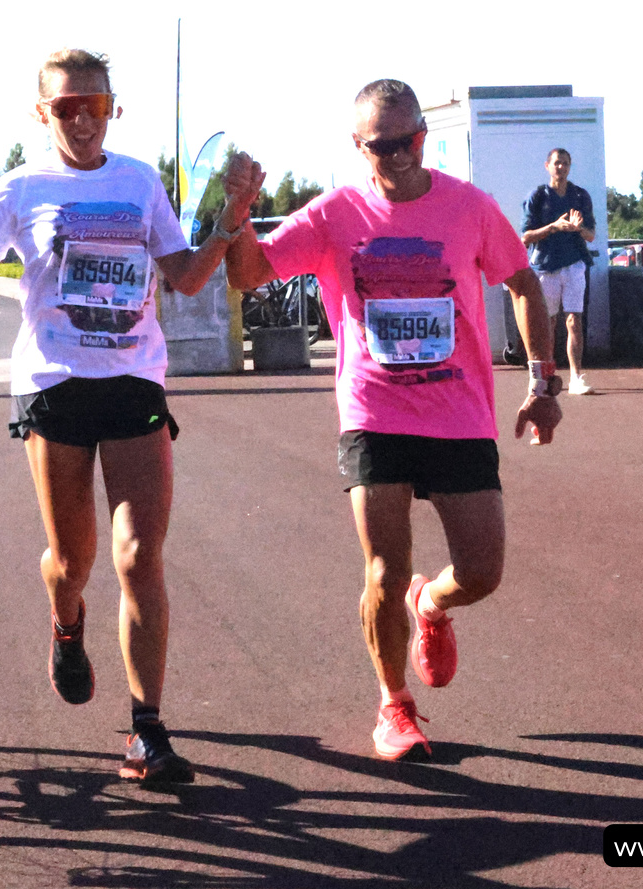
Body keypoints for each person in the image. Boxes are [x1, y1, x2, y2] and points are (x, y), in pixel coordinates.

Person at [0, 48, 261, 784]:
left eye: (96, 104)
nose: (83, 119)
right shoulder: (21, 188)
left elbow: (182, 279)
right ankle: (65, 616)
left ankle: (147, 728)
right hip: (54, 385)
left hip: (133, 382)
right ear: (41, 113)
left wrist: (228, 224)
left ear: (115, 107)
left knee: (139, 556)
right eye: (66, 107)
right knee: (74, 562)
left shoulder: (140, 181)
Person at [224, 79, 562, 761]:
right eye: (384, 145)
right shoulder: (333, 215)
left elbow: (522, 280)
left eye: (411, 141)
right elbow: (248, 274)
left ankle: (430, 604)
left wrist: (543, 378)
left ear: (422, 138)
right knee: (382, 566)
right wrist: (236, 214)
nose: (402, 156)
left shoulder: (469, 208)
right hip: (373, 410)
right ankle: (394, 704)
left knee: (483, 570)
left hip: (459, 412)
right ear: (358, 146)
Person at [521, 148, 596, 395]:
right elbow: (525, 237)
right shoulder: (538, 196)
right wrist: (553, 227)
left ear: (569, 166)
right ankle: (549, 376)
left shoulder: (580, 195)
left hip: (574, 264)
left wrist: (577, 229)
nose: (560, 168)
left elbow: (591, 235)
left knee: (574, 320)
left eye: (565, 164)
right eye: (556, 163)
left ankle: (576, 377)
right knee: (548, 323)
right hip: (545, 267)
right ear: (547, 166)